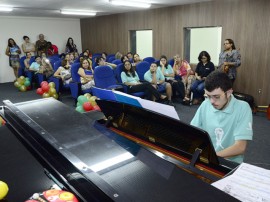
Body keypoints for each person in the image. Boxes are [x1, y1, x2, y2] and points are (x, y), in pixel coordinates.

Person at [190, 71, 253, 163]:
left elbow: (240, 147)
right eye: (208, 96)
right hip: (206, 159)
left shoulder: (243, 108)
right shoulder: (205, 104)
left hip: (228, 162)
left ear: (229, 93)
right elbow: (194, 132)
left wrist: (212, 157)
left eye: (216, 96)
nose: (211, 101)